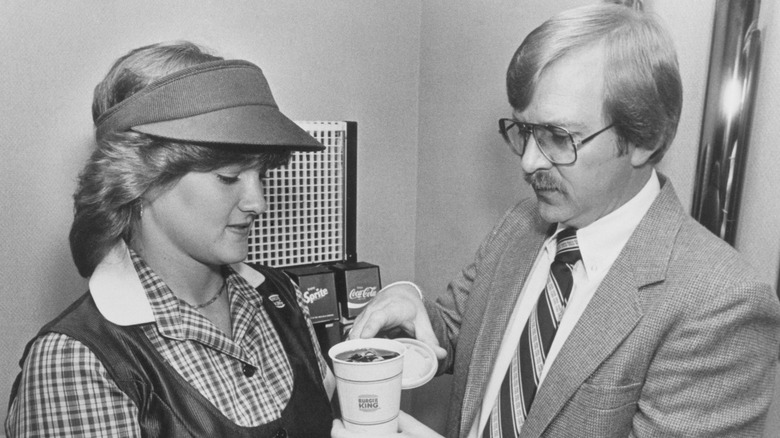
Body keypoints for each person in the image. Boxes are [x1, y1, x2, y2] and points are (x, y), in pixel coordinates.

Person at [339, 3, 780, 438]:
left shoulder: (722, 304)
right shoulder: (521, 224)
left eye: (557, 137)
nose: (530, 162)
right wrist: (410, 304)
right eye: (524, 131)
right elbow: (456, 332)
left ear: (644, 138)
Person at [6, 41, 335, 437]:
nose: (258, 202)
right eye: (229, 177)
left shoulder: (282, 298)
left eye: (260, 175)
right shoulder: (78, 360)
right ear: (141, 181)